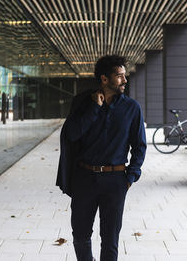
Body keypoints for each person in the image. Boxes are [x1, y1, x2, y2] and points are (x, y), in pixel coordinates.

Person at [56, 55, 147, 261]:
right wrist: (93, 109)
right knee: (80, 235)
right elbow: (71, 134)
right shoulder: (82, 102)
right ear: (105, 79)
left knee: (110, 239)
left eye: (125, 76)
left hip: (115, 181)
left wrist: (130, 177)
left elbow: (139, 146)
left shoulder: (132, 108)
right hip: (84, 177)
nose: (125, 80)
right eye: (119, 76)